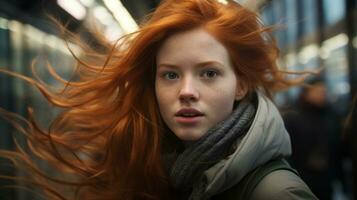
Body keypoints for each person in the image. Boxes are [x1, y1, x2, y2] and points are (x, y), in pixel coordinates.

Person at [0, 0, 318, 199]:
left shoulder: (275, 191)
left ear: (240, 85)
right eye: (170, 75)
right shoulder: (165, 166)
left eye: (209, 74)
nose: (186, 91)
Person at [283, 79, 345, 200]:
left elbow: (338, 148)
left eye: (323, 91)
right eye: (317, 91)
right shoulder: (293, 117)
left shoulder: (331, 115)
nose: (322, 94)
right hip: (302, 178)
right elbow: (288, 152)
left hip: (327, 178)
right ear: (306, 93)